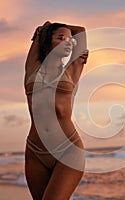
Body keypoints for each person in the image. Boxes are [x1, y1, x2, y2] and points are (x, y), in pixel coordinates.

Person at [24, 21, 88, 200]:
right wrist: (46, 29)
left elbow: (81, 31)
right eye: (61, 38)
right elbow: (39, 34)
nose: (68, 42)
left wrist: (59, 28)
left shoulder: (72, 70)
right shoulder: (32, 69)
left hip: (68, 150)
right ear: (47, 41)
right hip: (35, 151)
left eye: (70, 40)